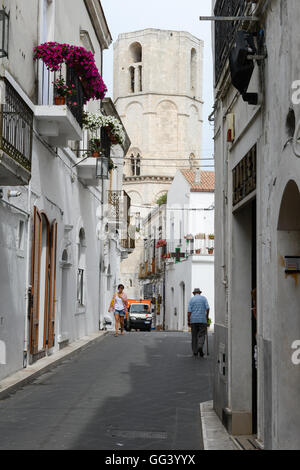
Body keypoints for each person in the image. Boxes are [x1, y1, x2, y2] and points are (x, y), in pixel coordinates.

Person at [187, 288, 210, 357]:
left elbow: (189, 312)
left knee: (194, 336)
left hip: (193, 320)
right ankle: (200, 346)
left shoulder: (191, 300)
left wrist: (188, 320)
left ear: (194, 293)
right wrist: (207, 316)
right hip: (202, 320)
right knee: (202, 334)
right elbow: (208, 308)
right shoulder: (204, 299)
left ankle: (195, 351)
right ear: (199, 293)